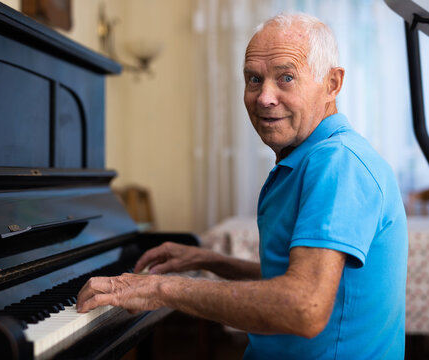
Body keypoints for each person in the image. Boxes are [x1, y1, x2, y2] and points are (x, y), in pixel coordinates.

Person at [77, 13, 408, 359]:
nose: (264, 97)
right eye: (254, 79)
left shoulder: (339, 162)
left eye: (286, 78)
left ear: (332, 84)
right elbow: (301, 276)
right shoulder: (311, 157)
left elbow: (304, 306)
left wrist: (161, 288)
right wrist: (214, 262)